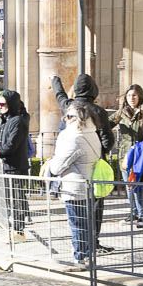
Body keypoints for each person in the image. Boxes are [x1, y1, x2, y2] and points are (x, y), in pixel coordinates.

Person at [45, 101, 102, 270]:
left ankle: (80, 259)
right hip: (88, 185)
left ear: (79, 119)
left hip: (74, 187)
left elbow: (56, 167)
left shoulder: (75, 138)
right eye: (66, 116)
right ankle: (87, 257)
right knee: (86, 224)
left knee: (77, 224)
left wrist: (51, 162)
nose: (66, 119)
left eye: (69, 116)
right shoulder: (93, 133)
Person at [0, 89, 31, 241]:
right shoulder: (7, 120)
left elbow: (10, 146)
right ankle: (14, 229)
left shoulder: (17, 121)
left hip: (15, 167)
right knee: (10, 200)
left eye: (2, 103)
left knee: (16, 200)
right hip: (8, 166)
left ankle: (19, 231)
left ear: (10, 104)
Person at [110, 84, 143, 228]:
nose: (132, 98)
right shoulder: (122, 112)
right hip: (125, 155)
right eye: (129, 95)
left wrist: (141, 147)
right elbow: (108, 123)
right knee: (129, 186)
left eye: (135, 95)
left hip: (139, 155)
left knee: (137, 187)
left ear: (140, 97)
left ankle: (141, 216)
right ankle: (133, 213)